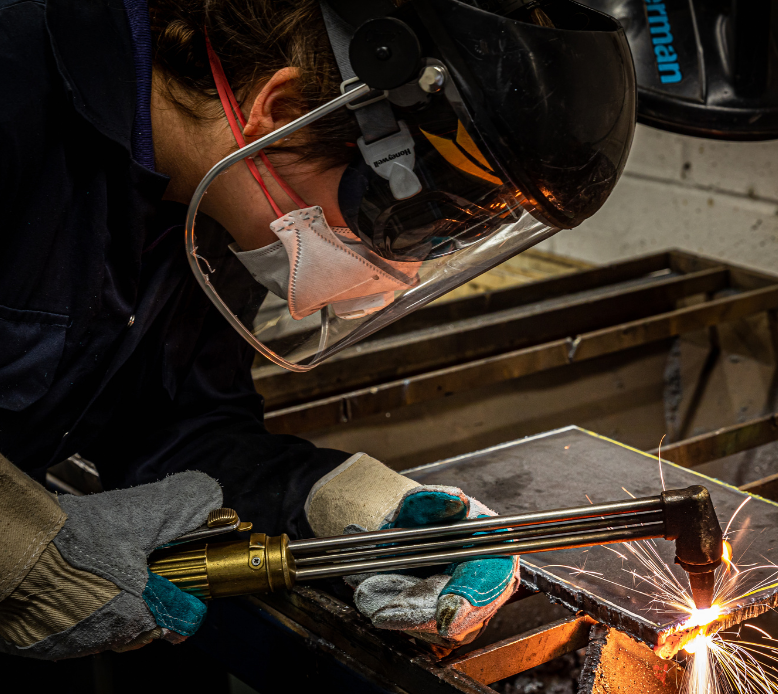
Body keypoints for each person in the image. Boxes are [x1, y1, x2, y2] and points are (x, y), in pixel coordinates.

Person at [0, 0, 635, 659]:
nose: (403, 267)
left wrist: (337, 502)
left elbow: (169, 432)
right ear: (281, 112)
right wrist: (14, 554)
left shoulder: (217, 211)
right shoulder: (15, 89)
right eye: (399, 223)